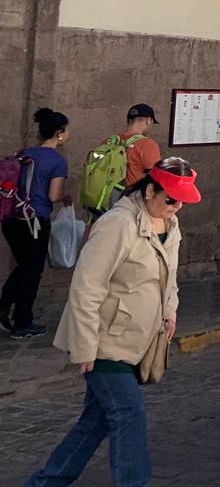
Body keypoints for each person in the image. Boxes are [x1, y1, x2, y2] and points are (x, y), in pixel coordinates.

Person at [26, 156, 200, 487]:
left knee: (95, 422)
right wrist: (84, 346)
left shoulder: (171, 225)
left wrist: (170, 310)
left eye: (182, 201)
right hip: (104, 340)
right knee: (129, 413)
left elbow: (170, 277)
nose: (177, 207)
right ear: (150, 191)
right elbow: (86, 287)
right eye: (171, 199)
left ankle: (45, 483)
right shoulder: (117, 224)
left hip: (138, 340)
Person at [2, 108, 70, 340]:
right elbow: (53, 195)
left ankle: (3, 308)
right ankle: (22, 323)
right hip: (34, 221)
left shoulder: (23, 153)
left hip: (11, 218)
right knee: (32, 272)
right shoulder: (57, 161)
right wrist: (66, 197)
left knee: (23, 267)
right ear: (59, 133)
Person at [118, 105, 163, 189]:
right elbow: (156, 177)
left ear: (128, 120)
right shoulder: (148, 144)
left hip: (106, 194)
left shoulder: (109, 141)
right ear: (148, 120)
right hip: (131, 194)